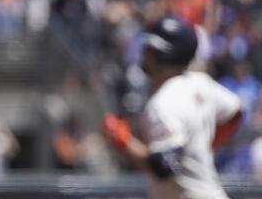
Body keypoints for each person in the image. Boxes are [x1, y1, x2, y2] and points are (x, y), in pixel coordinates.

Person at [103, 16, 242, 199]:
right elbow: (236, 112)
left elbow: (166, 166)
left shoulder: (163, 103)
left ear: (166, 54)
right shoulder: (201, 82)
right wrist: (203, 146)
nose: (144, 52)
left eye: (150, 49)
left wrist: (125, 141)